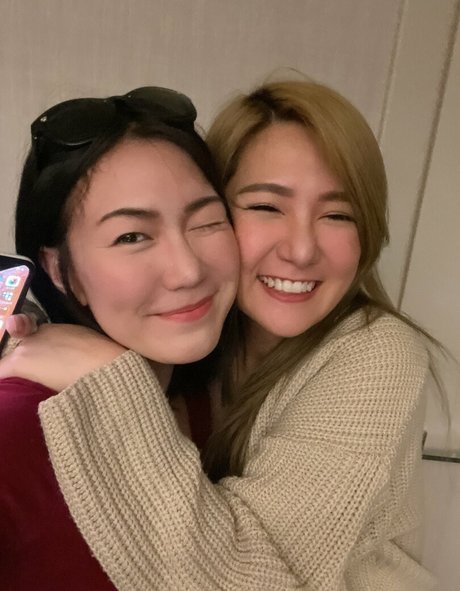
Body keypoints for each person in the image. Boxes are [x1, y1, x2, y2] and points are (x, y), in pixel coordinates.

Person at [1, 80, 436, 590]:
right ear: (59, 269)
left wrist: (107, 374)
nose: (301, 251)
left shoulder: (374, 352)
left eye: (339, 214)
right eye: (266, 207)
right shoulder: (189, 351)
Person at [0, 87, 239, 590]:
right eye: (132, 236)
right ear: (60, 271)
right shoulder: (15, 426)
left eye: (206, 222)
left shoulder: (209, 397)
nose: (187, 270)